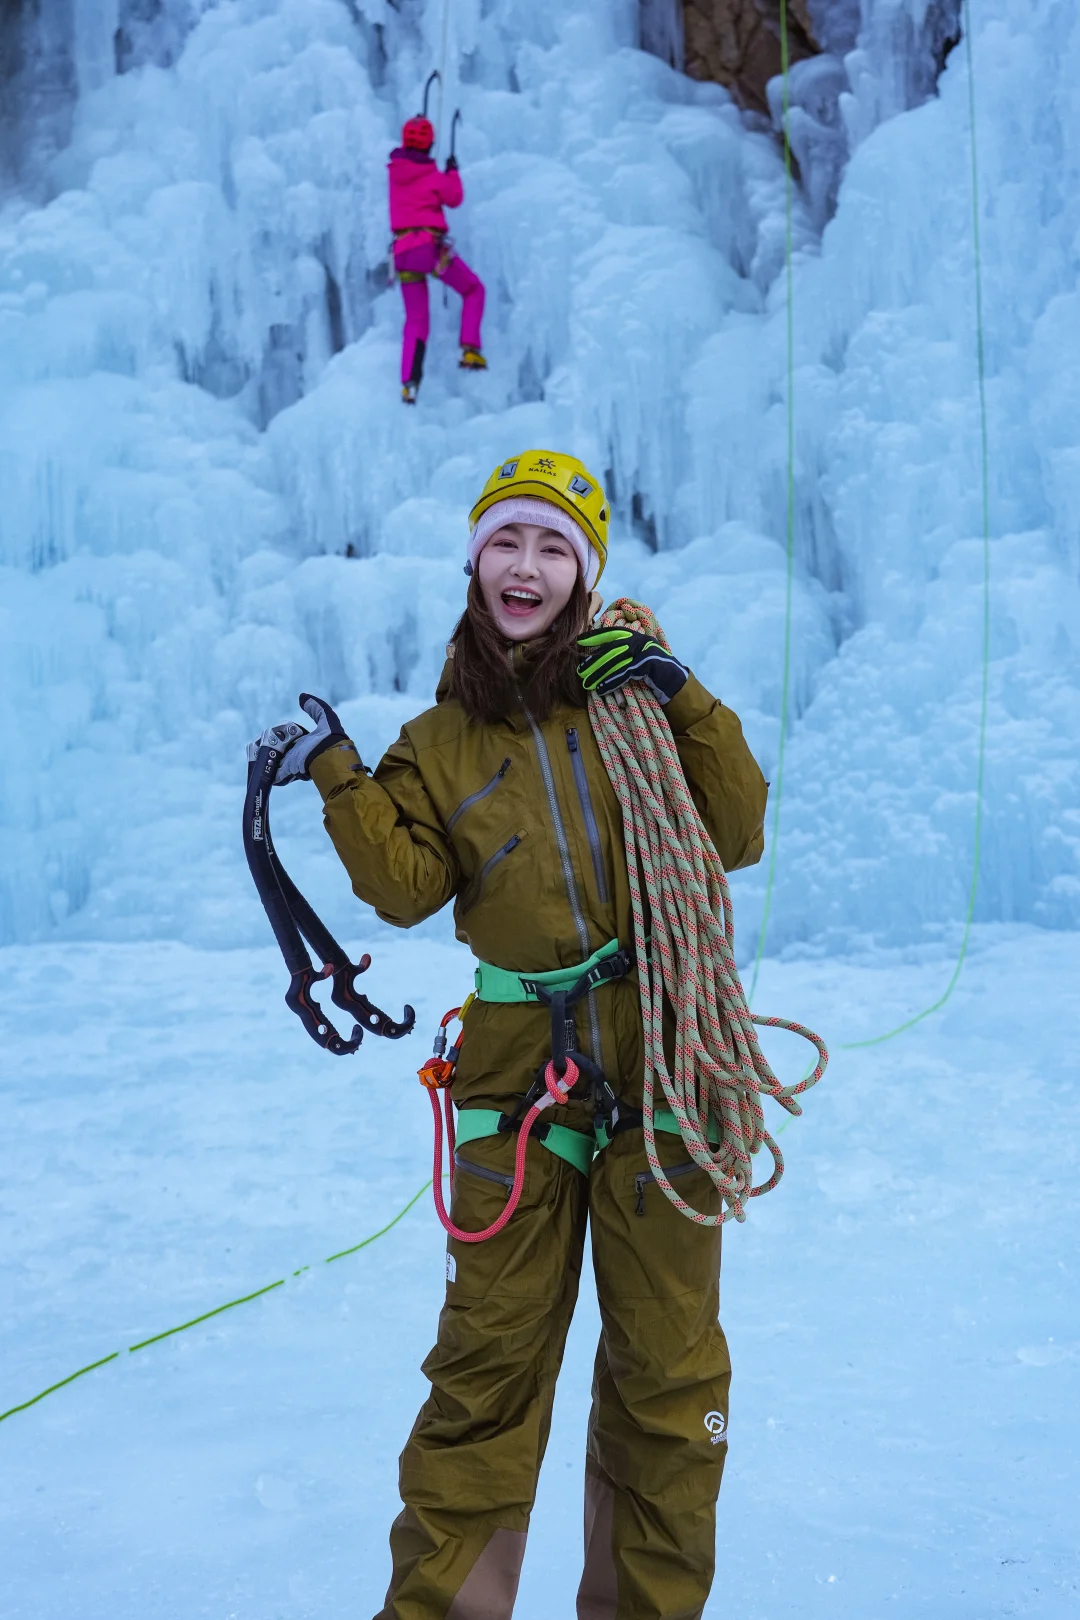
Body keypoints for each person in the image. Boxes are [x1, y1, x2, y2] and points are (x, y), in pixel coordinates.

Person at [253, 451, 768, 1619]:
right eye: (506, 542)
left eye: (552, 546)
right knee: (484, 1375)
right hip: (510, 1065)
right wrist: (337, 772)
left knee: (669, 1377)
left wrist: (682, 690)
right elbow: (406, 887)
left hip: (664, 1051)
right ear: (475, 563)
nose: (525, 567)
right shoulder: (437, 741)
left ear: (583, 571)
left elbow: (735, 831)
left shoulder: (635, 698)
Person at [389, 115, 486, 404]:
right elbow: (454, 197)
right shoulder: (432, 175)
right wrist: (452, 171)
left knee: (416, 321)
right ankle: (469, 348)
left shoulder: (395, 172)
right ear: (430, 144)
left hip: (403, 253)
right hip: (429, 249)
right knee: (473, 290)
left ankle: (409, 383)